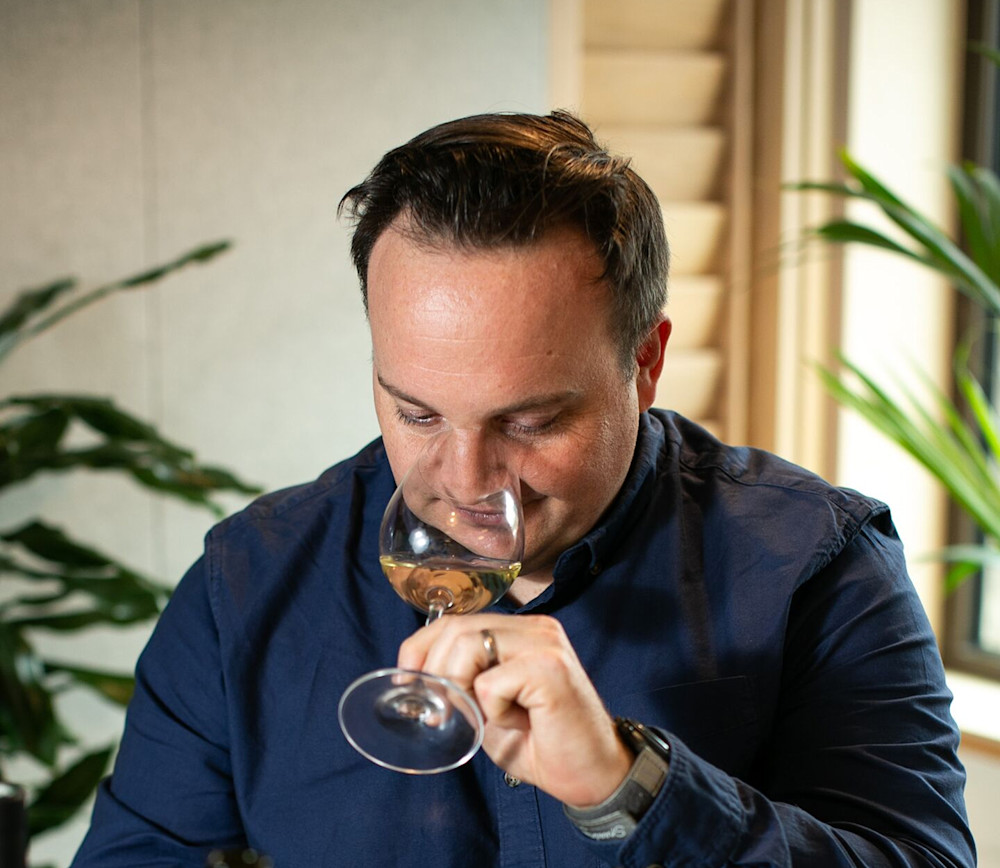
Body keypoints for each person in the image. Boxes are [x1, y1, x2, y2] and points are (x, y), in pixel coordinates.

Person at [70, 111, 975, 868]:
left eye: (531, 423)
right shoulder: (249, 582)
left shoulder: (814, 564)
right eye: (417, 413)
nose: (463, 482)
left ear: (645, 363)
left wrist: (630, 787)